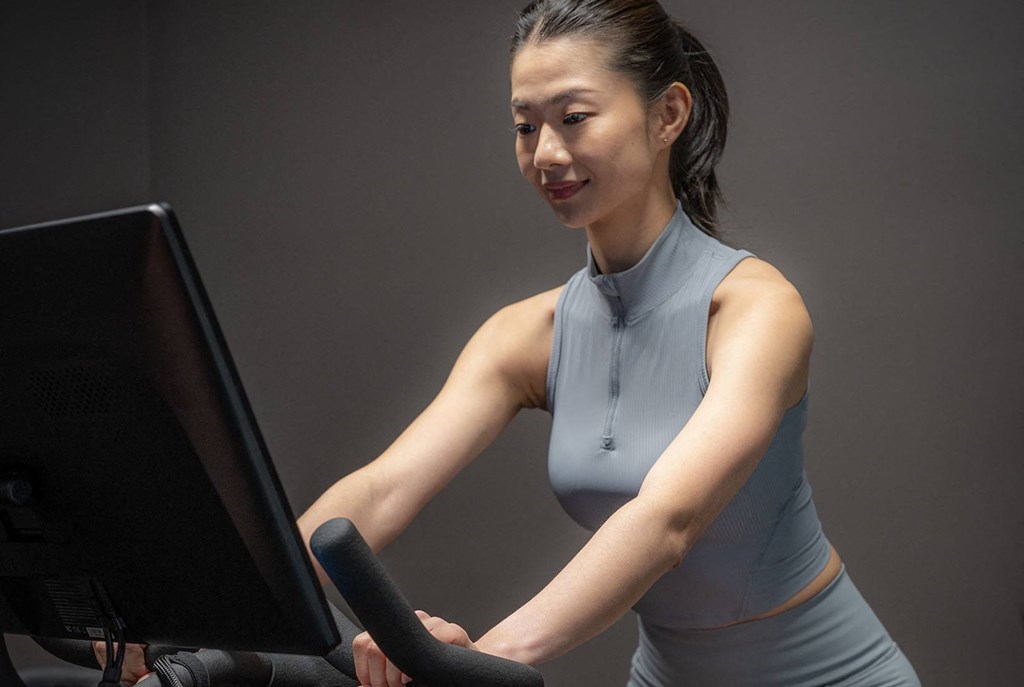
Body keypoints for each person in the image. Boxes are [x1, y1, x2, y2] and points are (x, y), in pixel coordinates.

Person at [303, 1, 924, 686]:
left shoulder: (755, 309)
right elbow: (381, 489)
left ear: (668, 115)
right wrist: (222, 600)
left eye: (574, 118)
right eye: (524, 126)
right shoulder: (524, 336)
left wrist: (475, 658)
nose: (545, 153)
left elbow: (668, 519)